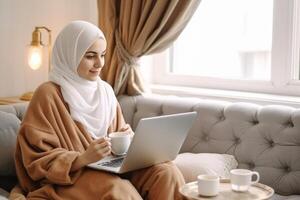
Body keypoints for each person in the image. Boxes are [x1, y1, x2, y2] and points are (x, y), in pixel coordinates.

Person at [10, 20, 185, 200]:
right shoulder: (47, 94)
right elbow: (37, 159)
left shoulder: (105, 91)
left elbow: (121, 132)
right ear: (70, 55)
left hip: (113, 167)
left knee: (166, 173)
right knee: (117, 191)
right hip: (71, 177)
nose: (99, 63)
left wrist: (136, 146)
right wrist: (82, 158)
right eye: (90, 56)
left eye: (102, 55)